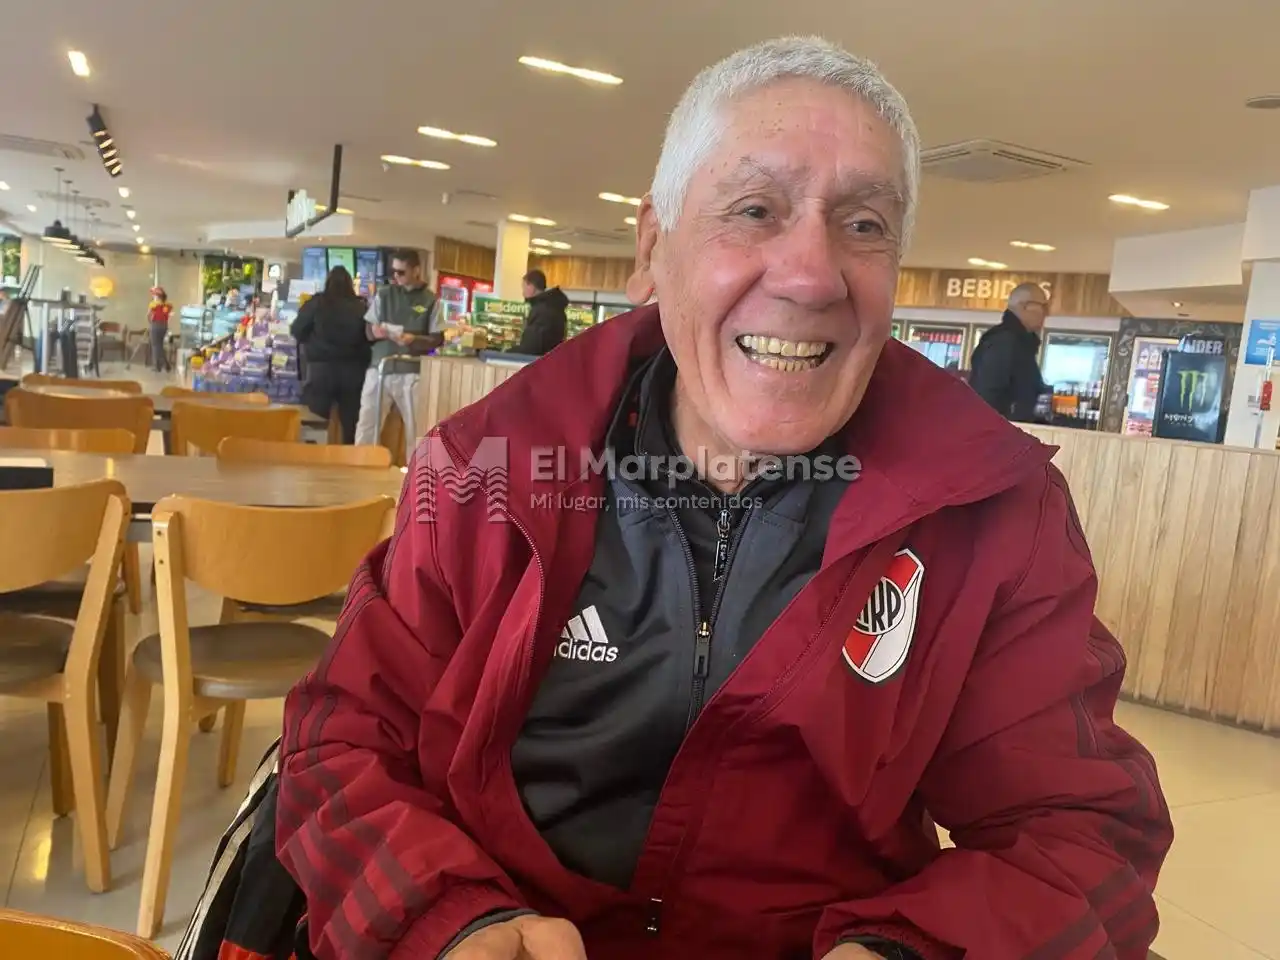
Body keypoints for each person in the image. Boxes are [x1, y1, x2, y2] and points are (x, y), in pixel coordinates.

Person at [277, 37, 1171, 960]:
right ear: (653, 246)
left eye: (864, 224)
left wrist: (911, 952)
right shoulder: (485, 471)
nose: (812, 275)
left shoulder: (993, 514)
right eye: (754, 210)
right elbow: (341, 744)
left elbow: (1079, 835)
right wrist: (447, 921)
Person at [353, 249, 443, 460]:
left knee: (417, 429)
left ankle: (417, 472)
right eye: (393, 271)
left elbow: (437, 339)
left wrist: (414, 340)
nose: (396, 276)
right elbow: (368, 330)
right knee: (367, 423)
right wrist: (375, 332)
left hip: (412, 371)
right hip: (379, 368)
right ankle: (360, 465)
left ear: (416, 270)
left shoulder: (430, 300)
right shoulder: (384, 294)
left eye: (401, 272)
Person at [291, 265, 371, 444]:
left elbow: (296, 330)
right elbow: (369, 339)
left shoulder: (316, 303)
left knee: (315, 422)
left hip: (321, 370)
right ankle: (349, 457)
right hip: (353, 372)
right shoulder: (360, 307)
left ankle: (313, 457)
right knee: (351, 425)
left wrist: (312, 342)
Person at [969, 282, 1051, 421]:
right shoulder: (1003, 342)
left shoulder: (1020, 342)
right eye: (1043, 306)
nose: (1046, 313)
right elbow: (987, 396)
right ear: (1024, 306)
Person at [514, 268, 568, 355]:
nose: (523, 293)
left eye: (524, 287)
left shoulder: (542, 310)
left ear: (531, 287)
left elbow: (531, 347)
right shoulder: (554, 306)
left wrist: (508, 353)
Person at [147, 286, 172, 373]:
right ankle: (166, 365)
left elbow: (148, 315)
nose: (153, 296)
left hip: (155, 325)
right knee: (159, 346)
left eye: (154, 294)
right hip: (164, 326)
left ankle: (157, 366)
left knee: (155, 346)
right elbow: (168, 315)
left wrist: (150, 322)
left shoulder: (153, 304)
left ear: (157, 296)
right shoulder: (168, 305)